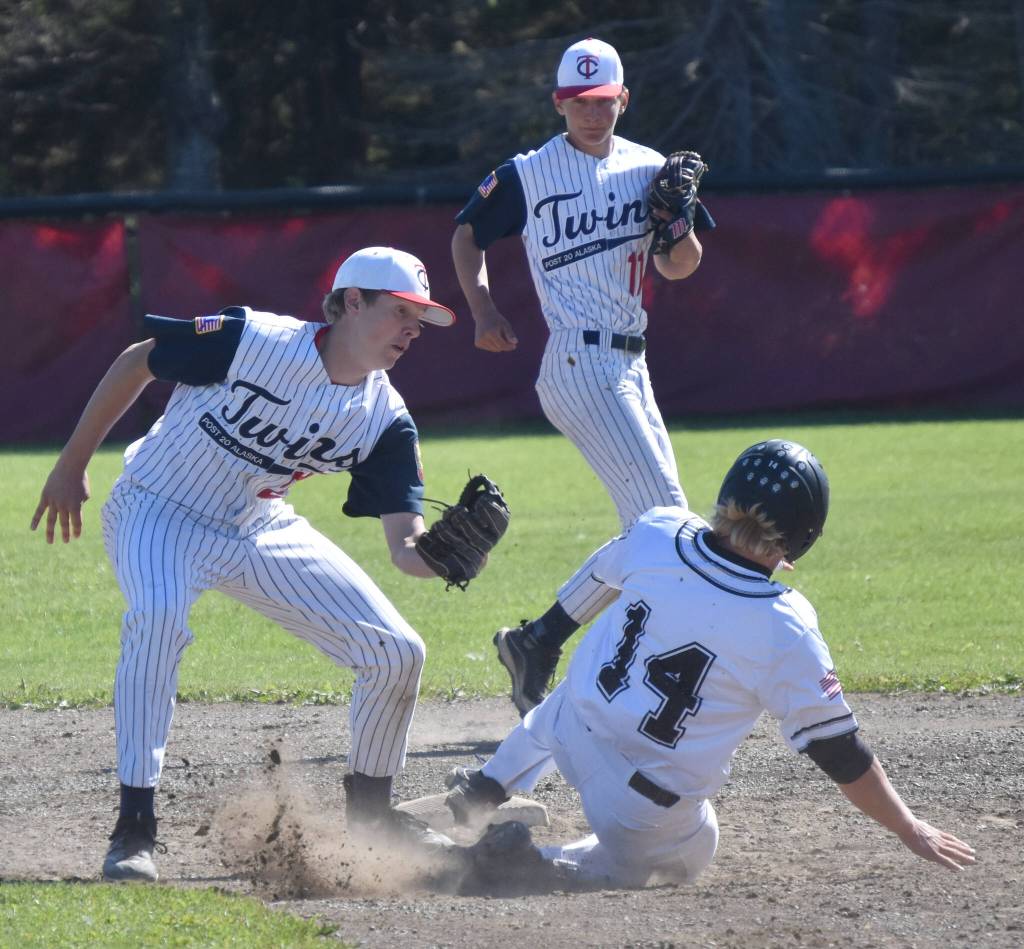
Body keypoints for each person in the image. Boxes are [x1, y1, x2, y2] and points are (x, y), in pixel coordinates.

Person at [31, 246, 473, 882]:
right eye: (402, 312)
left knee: (397, 651)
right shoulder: (255, 339)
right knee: (156, 619)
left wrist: (444, 557)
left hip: (258, 527)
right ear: (352, 302)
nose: (412, 330)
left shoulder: (384, 419)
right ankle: (134, 829)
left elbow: (406, 549)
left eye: (420, 320)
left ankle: (371, 822)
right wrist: (71, 465)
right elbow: (139, 362)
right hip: (158, 507)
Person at [443, 440, 976, 887]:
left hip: (570, 730)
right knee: (696, 847)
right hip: (639, 810)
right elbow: (838, 751)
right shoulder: (784, 624)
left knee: (573, 697)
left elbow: (597, 580)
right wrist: (909, 827)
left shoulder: (659, 529)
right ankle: (534, 864)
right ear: (803, 535)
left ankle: (485, 789)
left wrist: (546, 635)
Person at [450, 37, 715, 714]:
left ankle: (539, 640)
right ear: (558, 103)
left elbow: (679, 266)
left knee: (661, 527)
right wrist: (481, 307)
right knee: (668, 529)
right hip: (576, 357)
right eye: (577, 102)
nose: (590, 113)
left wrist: (675, 223)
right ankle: (633, 675)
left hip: (632, 360)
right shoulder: (530, 173)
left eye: (602, 101)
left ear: (622, 99)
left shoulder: (649, 168)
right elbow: (466, 233)